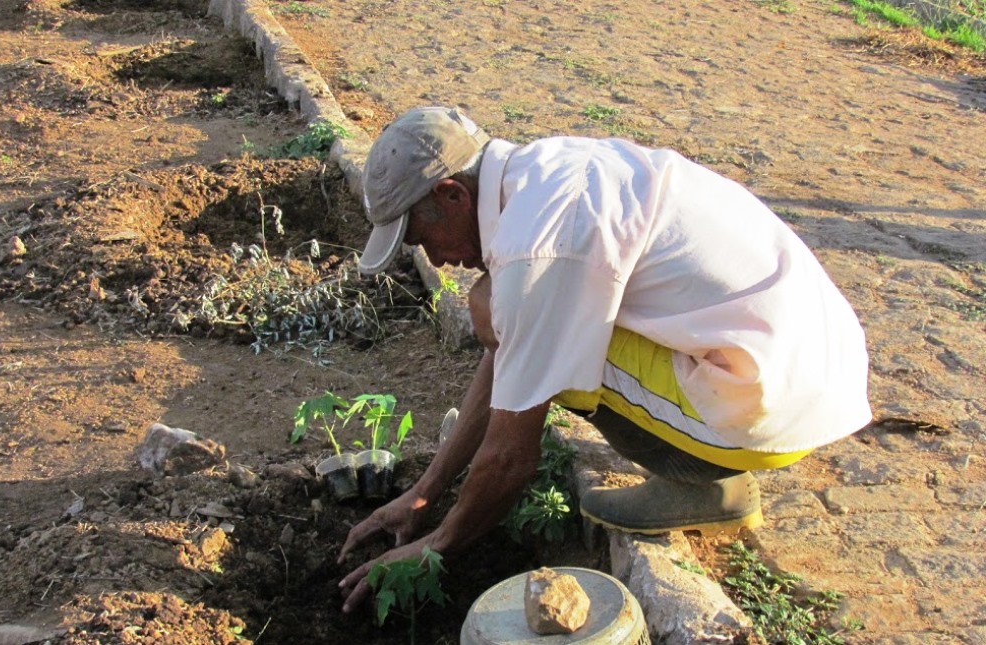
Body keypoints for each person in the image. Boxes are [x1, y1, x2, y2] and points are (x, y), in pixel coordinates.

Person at [336, 106, 872, 613]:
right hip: (811, 362)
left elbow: (508, 460)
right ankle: (718, 481)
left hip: (773, 401)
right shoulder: (544, 173)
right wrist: (424, 494)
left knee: (510, 315)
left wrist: (436, 546)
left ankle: (705, 479)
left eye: (421, 236)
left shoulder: (538, 248)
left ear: (452, 195)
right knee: (512, 314)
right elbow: (509, 355)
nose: (434, 258)